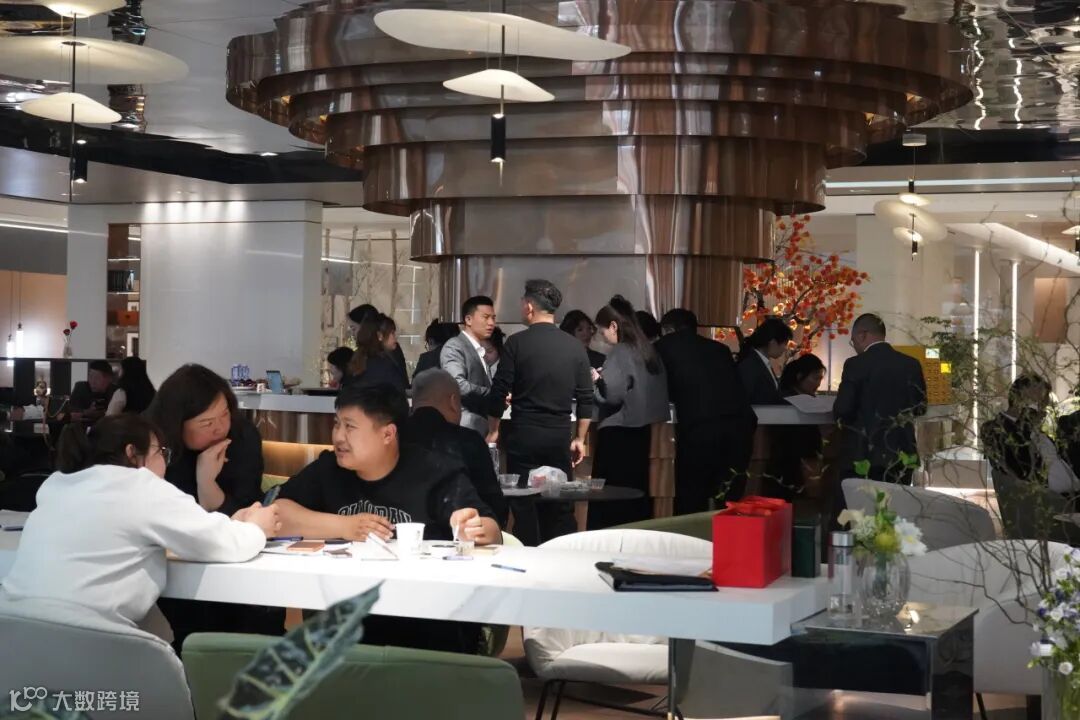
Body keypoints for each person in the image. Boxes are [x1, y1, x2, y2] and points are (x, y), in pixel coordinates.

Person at [0, 415, 278, 636]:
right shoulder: (140, 484)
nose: (165, 463)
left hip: (16, 637)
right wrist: (257, 528)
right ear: (132, 453)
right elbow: (220, 544)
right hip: (89, 643)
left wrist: (233, 523)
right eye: (161, 452)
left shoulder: (58, 486)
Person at [274, 383, 499, 653]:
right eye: (336, 424)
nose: (338, 437)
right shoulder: (329, 469)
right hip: (348, 627)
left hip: (427, 627)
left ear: (387, 434)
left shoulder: (434, 472)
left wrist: (473, 529)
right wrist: (344, 526)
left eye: (350, 427)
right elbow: (277, 513)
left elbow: (492, 530)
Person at [146, 364, 282, 650]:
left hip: (235, 564)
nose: (221, 427)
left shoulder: (242, 437)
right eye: (207, 423)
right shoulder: (152, 446)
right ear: (176, 423)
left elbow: (246, 514)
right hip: (170, 569)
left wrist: (207, 483)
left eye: (224, 414)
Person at [487, 279, 593, 544]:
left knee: (524, 507)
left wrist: (493, 429)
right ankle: (561, 554)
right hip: (558, 438)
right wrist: (580, 438)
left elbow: (499, 391)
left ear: (530, 307)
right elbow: (586, 398)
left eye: (522, 303)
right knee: (560, 507)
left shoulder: (516, 343)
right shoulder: (575, 347)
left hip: (523, 436)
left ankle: (528, 554)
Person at [655, 309, 756, 511]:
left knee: (692, 498)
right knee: (729, 500)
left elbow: (659, 389)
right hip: (741, 428)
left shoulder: (663, 347)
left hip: (700, 428)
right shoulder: (720, 349)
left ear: (667, 329)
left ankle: (694, 532)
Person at [586, 296, 670, 529]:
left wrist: (596, 380)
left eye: (602, 331)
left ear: (614, 326)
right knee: (635, 493)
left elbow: (612, 396)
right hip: (641, 432)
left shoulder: (621, 351)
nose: (602, 337)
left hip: (617, 432)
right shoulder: (646, 349)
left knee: (610, 497)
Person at [400, 369, 508, 526]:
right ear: (453, 401)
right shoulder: (469, 441)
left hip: (400, 532)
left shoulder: (394, 437)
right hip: (460, 532)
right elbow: (494, 505)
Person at [834, 314, 927, 484]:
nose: (854, 346)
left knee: (861, 501)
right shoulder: (911, 364)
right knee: (897, 499)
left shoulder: (855, 364)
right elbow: (920, 408)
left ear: (862, 335)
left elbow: (843, 409)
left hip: (863, 455)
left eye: (853, 341)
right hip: (902, 454)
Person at [984, 375, 1079, 493]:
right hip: (1044, 496)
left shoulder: (1034, 429)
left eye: (1043, 406)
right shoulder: (996, 429)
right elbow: (1017, 468)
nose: (1042, 414)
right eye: (1037, 404)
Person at [773, 353, 827, 500]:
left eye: (820, 379)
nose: (818, 384)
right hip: (789, 462)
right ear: (800, 377)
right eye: (815, 378)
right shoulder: (786, 400)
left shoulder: (807, 399)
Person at [440, 295, 497, 436]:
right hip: (465, 427)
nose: (491, 323)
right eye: (485, 317)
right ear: (468, 319)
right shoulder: (454, 346)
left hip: (478, 428)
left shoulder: (478, 349)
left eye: (493, 318)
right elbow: (457, 385)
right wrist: (493, 394)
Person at [342, 315, 408, 393]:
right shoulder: (385, 366)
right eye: (392, 333)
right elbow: (399, 393)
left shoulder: (357, 361)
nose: (395, 337)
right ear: (380, 336)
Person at [737, 317, 793, 405]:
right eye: (785, 344)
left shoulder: (763, 362)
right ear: (773, 342)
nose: (785, 348)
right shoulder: (750, 365)